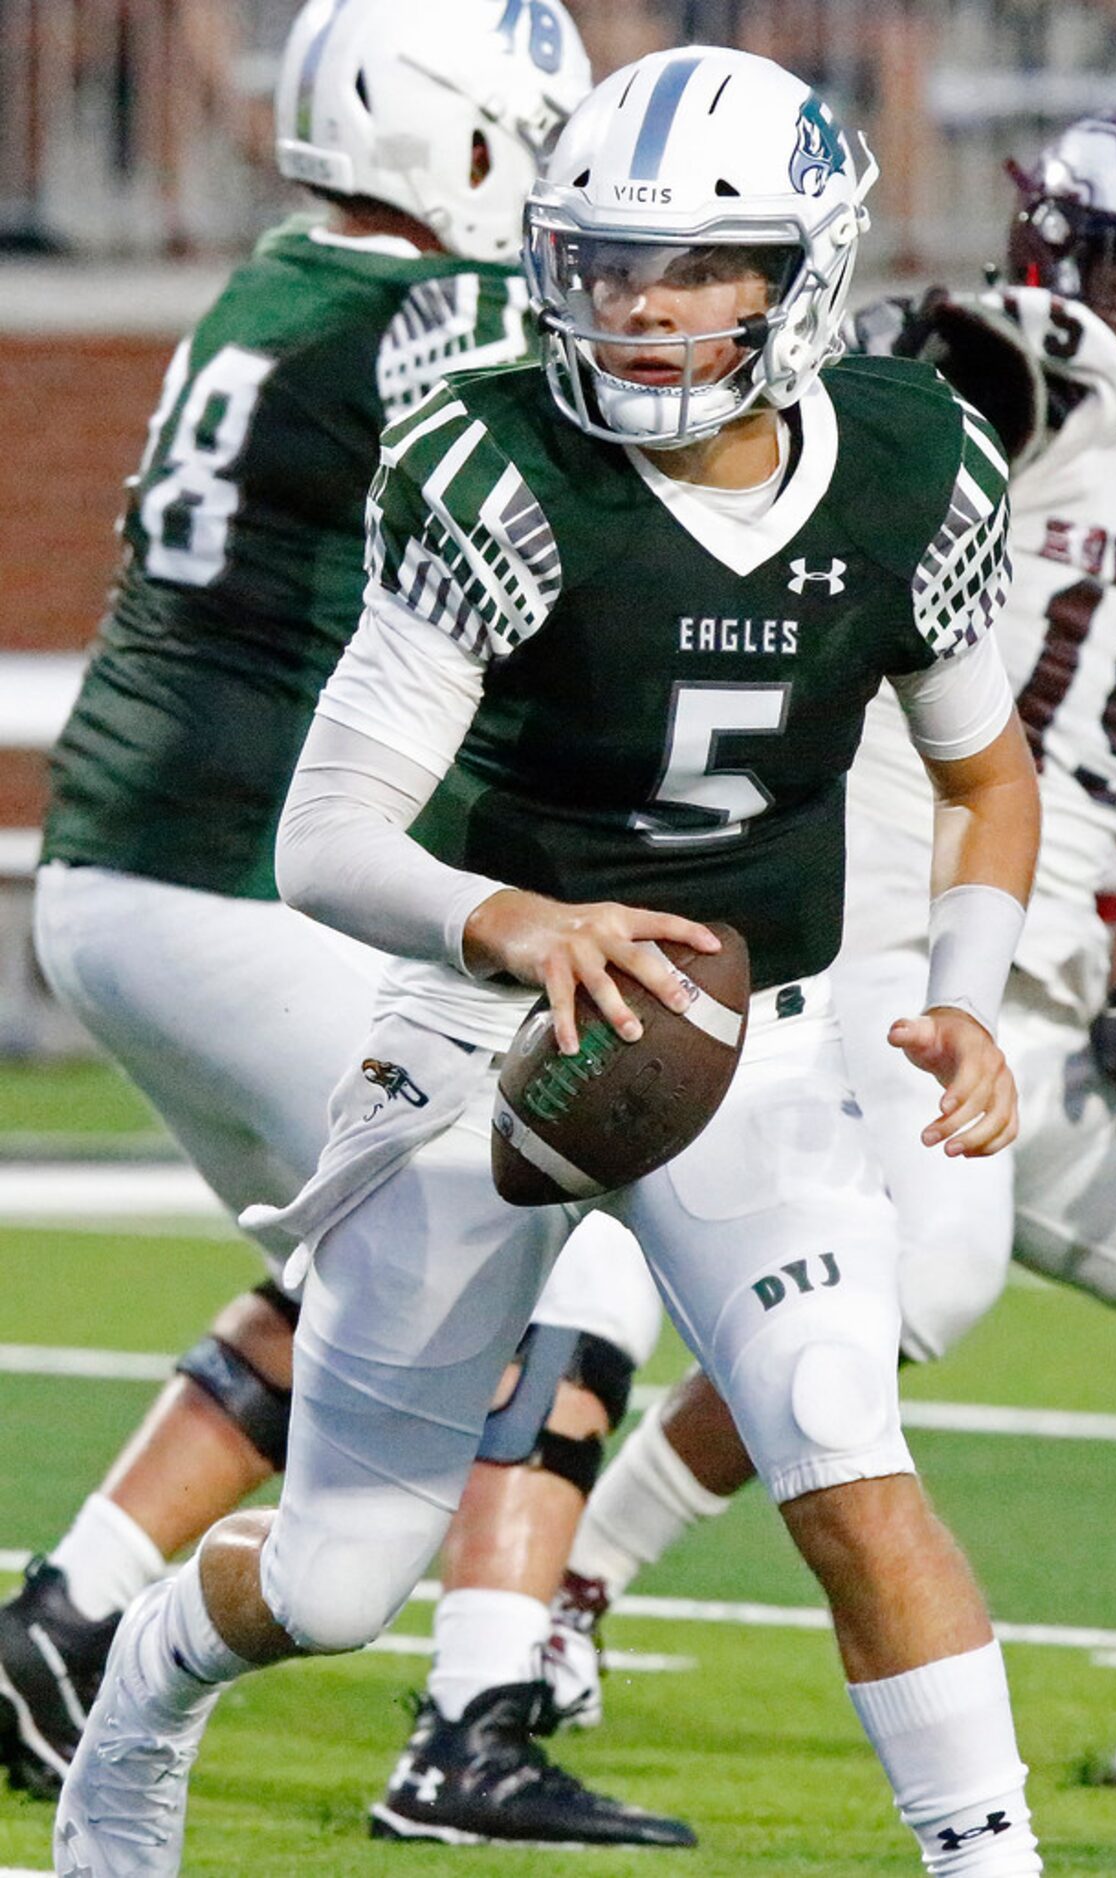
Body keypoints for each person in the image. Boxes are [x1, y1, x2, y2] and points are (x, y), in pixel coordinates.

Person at [54, 44, 1050, 1878]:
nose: (643, 312)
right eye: (604, 266)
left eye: (695, 271)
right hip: (479, 1023)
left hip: (756, 1029)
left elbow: (989, 773)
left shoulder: (914, 458)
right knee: (347, 1570)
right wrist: (525, 920)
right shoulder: (489, 457)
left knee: (843, 1439)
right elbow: (328, 835)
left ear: (802, 273)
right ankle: (146, 1690)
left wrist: (968, 998)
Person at [552, 102, 1116, 1804]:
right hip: (888, 930)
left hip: (1062, 985)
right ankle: (569, 1585)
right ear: (1057, 255)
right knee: (917, 1281)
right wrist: (971, 389)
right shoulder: (952, 395)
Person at [1, 0, 700, 1850]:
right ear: (452, 140)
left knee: (376, 1259)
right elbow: (618, 446)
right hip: (238, 885)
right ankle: (479, 1706)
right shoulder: (439, 315)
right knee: (599, 1188)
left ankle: (66, 1614)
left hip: (120, 882)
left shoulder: (272, 290)